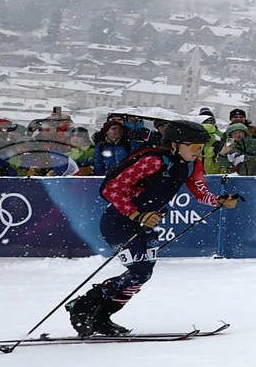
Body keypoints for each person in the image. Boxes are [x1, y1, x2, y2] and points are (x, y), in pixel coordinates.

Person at [65, 120, 241, 336]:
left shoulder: (192, 164)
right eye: (194, 147)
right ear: (175, 144)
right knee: (139, 271)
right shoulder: (154, 161)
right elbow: (110, 189)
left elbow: (200, 192)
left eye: (201, 147)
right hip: (119, 222)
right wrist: (137, 213)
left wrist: (219, 200)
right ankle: (83, 306)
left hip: (146, 224)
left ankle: (102, 316)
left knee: (143, 274)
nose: (198, 152)